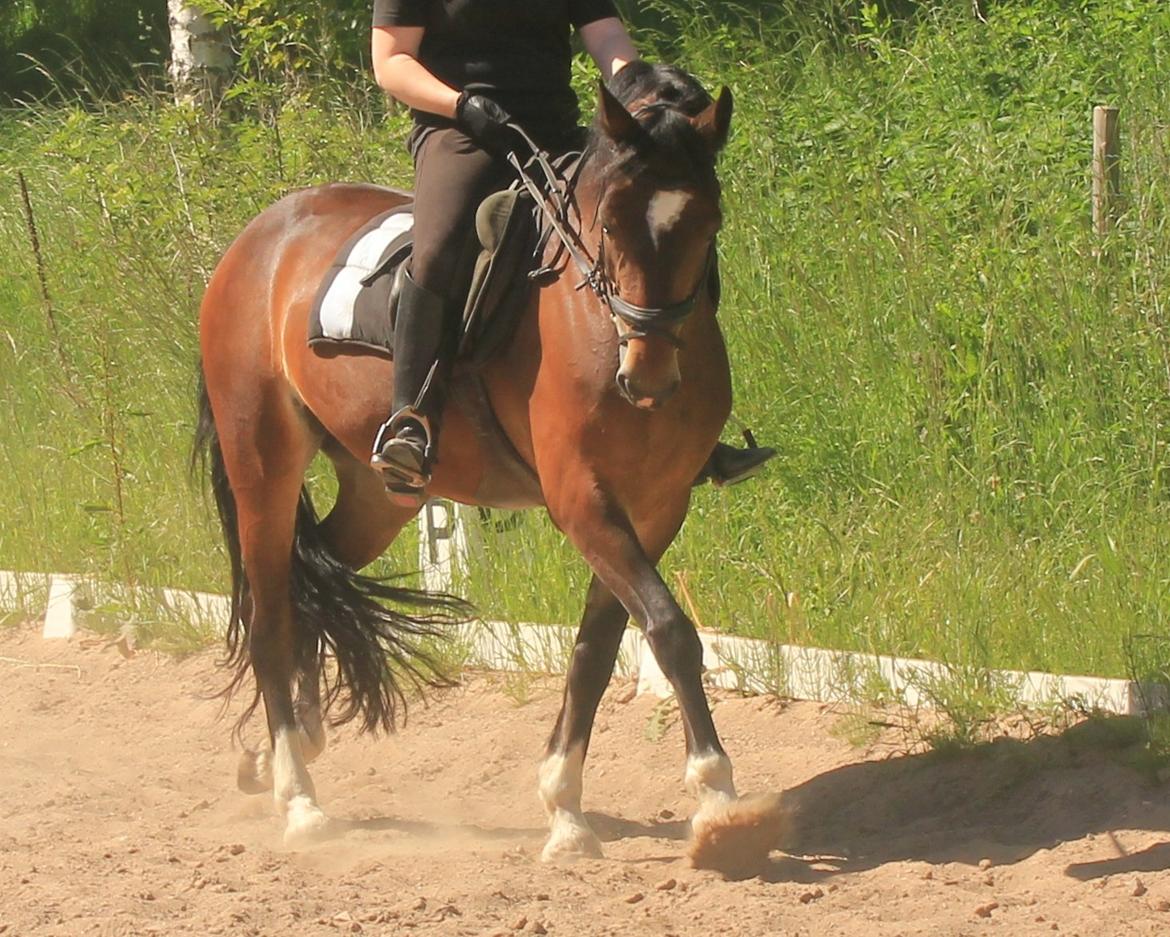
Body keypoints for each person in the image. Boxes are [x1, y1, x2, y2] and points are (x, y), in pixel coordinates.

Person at [369, 0, 774, 494]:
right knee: (439, 246)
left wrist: (645, 97)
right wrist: (463, 105)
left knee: (665, 228)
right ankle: (412, 421)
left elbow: (605, 38)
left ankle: (697, 431)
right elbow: (391, 61)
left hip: (556, 133)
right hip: (460, 132)